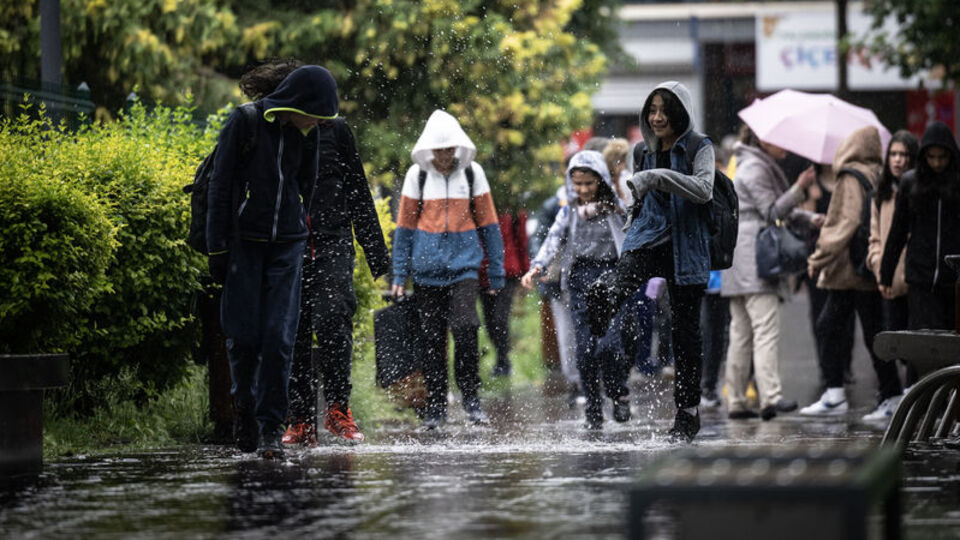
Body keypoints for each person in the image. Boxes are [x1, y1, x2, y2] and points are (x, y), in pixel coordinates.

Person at [206, 65, 335, 459]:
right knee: (243, 337)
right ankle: (244, 408)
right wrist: (218, 249)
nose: (315, 124)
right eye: (314, 115)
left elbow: (306, 185)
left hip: (287, 247)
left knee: (281, 339)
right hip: (244, 244)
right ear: (298, 103)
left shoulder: (306, 135)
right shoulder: (243, 122)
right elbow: (220, 186)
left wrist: (296, 225)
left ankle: (269, 429)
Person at [585, 81, 715, 442]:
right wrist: (629, 223)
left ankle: (687, 415)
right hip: (648, 238)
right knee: (616, 286)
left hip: (688, 247)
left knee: (685, 334)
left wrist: (657, 178)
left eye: (664, 110)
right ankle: (602, 304)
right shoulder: (642, 151)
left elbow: (704, 189)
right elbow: (639, 204)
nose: (657, 117)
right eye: (652, 110)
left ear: (680, 113)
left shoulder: (699, 146)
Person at [282, 79, 391, 446]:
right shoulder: (281, 131)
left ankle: (338, 410)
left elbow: (359, 190)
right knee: (293, 328)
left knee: (333, 321)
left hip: (334, 243)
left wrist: (379, 259)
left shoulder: (338, 131)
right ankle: (298, 419)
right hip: (290, 245)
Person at [390, 110, 505, 429]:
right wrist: (399, 274)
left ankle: (471, 398)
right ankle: (436, 406)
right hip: (425, 272)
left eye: (449, 149)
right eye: (439, 150)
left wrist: (495, 271)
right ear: (429, 149)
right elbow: (405, 228)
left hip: (464, 268)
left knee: (466, 328)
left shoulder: (472, 174)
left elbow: (489, 224)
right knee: (431, 339)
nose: (444, 156)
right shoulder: (418, 175)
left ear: (458, 147)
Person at [521, 150, 630, 429]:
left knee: (609, 344)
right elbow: (553, 238)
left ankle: (618, 392)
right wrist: (537, 267)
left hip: (611, 279)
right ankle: (593, 405)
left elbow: (630, 236)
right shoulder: (569, 210)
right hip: (580, 280)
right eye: (577, 184)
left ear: (601, 181)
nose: (582, 189)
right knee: (585, 348)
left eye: (589, 184)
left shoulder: (615, 207)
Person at [720, 125, 820, 420]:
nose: (786, 146)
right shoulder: (756, 168)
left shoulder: (748, 164)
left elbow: (776, 210)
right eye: (781, 140)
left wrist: (810, 217)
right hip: (755, 261)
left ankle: (737, 400)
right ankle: (770, 398)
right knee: (764, 331)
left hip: (741, 260)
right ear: (763, 139)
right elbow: (773, 212)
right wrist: (800, 188)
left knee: (741, 334)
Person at [801, 126, 903, 416]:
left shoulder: (849, 176)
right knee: (873, 332)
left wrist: (818, 258)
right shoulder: (876, 173)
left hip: (846, 271)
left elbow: (844, 224)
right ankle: (891, 393)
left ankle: (836, 393)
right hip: (866, 267)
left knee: (827, 327)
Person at [880, 121, 960, 345]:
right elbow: (898, 230)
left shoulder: (956, 183)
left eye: (942, 157)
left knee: (950, 345)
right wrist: (886, 273)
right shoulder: (911, 182)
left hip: (953, 279)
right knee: (923, 345)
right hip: (920, 278)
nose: (936, 163)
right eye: (931, 157)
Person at [863, 130, 919, 421]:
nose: (898, 161)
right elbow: (875, 237)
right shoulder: (880, 193)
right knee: (888, 343)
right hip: (887, 281)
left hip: (916, 281)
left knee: (916, 345)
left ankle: (913, 398)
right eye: (894, 155)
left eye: (904, 155)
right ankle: (893, 395)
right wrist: (877, 266)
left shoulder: (919, 190)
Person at [481, 210, 529, 377]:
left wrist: (525, 271)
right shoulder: (477, 206)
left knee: (500, 319)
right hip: (483, 273)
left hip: (507, 272)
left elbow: (522, 241)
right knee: (489, 321)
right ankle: (501, 358)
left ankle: (503, 361)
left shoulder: (511, 209)